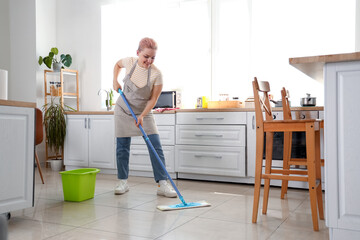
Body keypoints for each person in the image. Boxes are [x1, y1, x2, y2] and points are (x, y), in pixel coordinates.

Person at [113, 37, 176, 198]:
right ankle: (122, 182)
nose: (149, 60)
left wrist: (141, 115)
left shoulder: (157, 74)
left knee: (155, 146)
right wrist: (115, 80)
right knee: (122, 146)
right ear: (138, 53)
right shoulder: (129, 62)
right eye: (146, 56)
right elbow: (117, 65)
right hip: (123, 109)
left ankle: (162, 184)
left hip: (144, 112)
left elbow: (153, 100)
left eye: (152, 57)